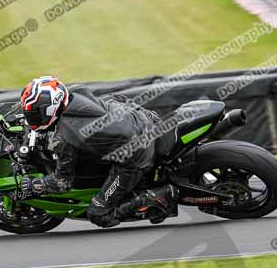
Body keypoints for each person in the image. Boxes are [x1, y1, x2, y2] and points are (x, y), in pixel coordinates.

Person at [18, 76, 178, 228]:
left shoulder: (65, 138)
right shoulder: (75, 92)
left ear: (50, 109)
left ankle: (159, 197)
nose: (31, 119)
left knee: (98, 214)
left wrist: (36, 184)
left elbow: (62, 183)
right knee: (110, 99)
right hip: (139, 116)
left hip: (138, 153)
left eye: (35, 114)